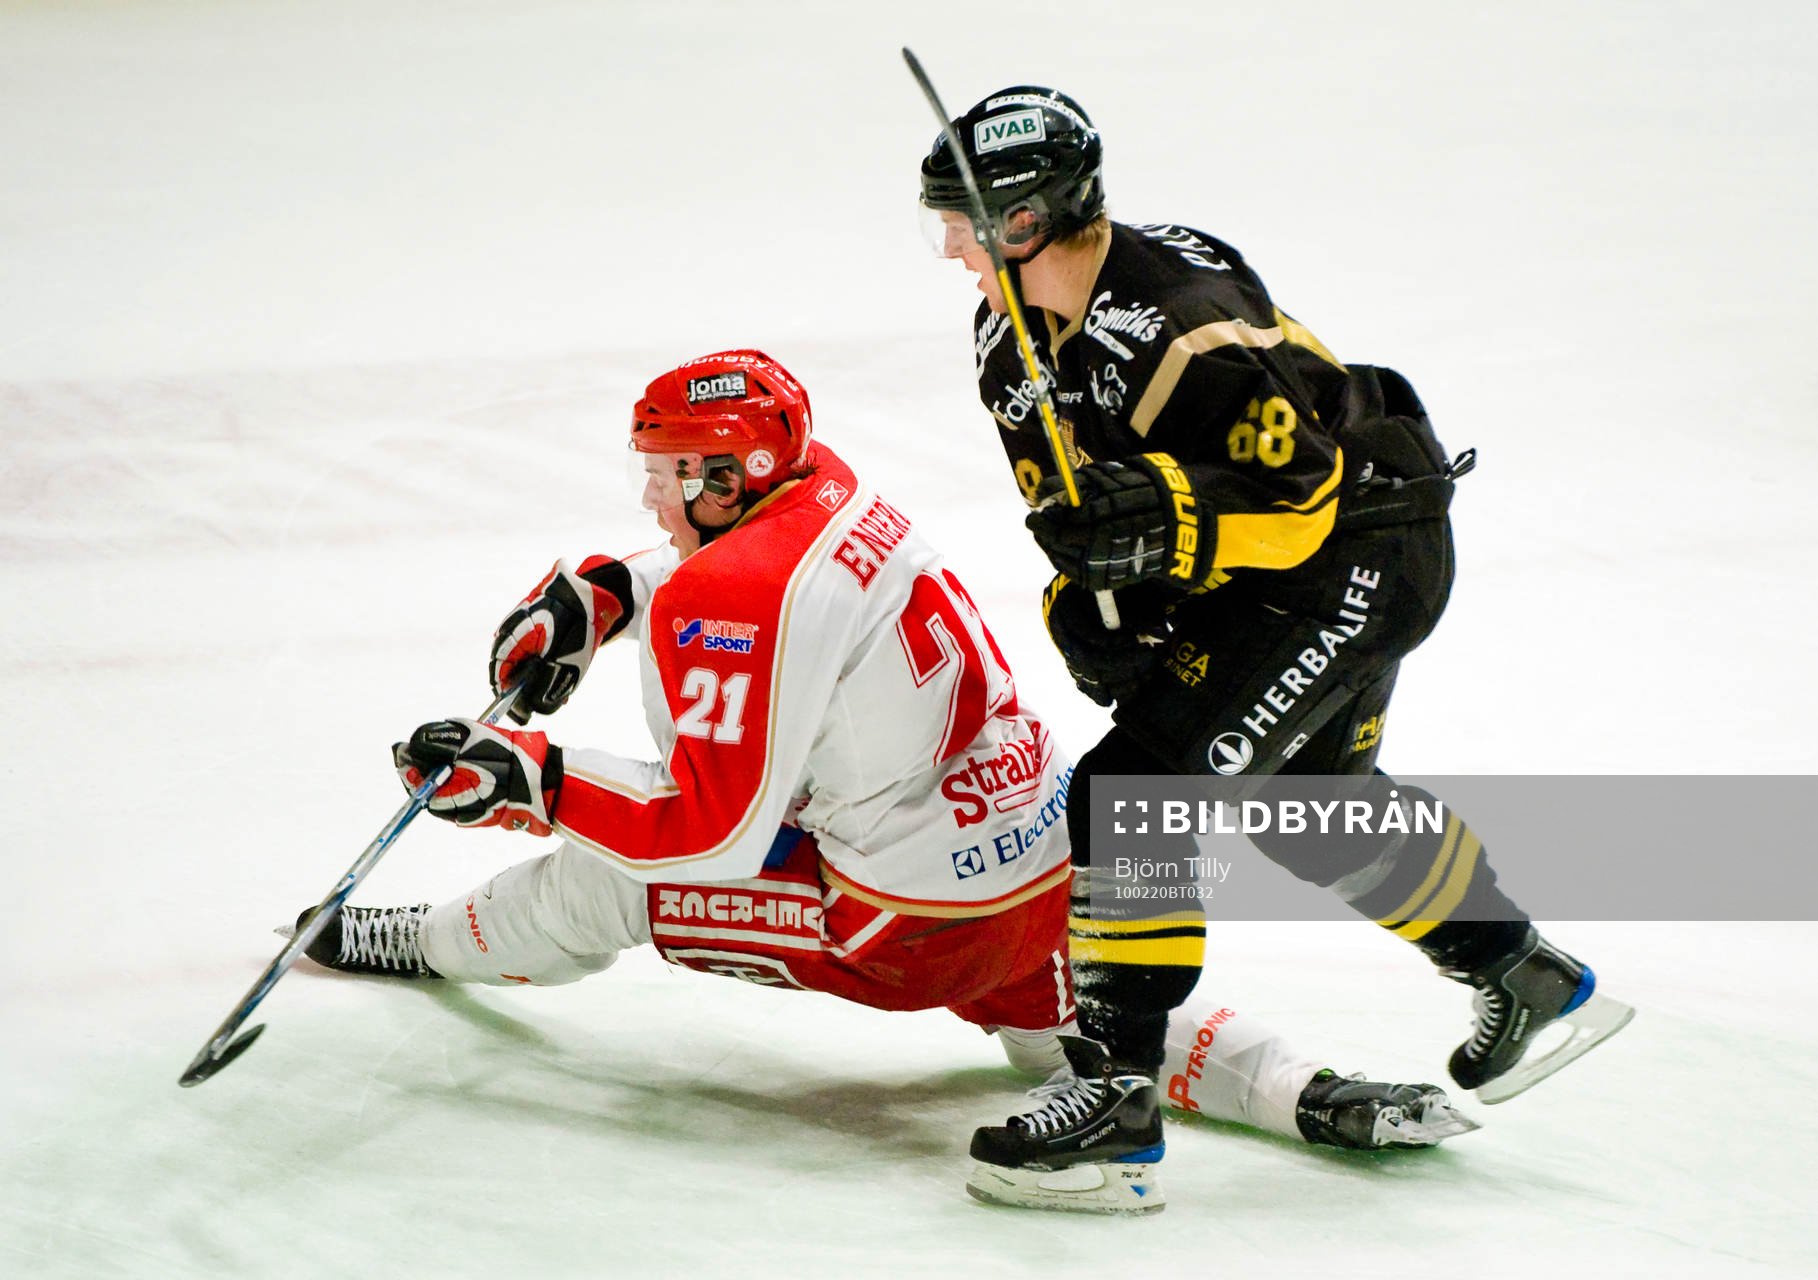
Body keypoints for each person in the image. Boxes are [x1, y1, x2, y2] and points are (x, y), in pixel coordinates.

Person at [298, 349, 1472, 1214]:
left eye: (670, 473)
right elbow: (762, 577)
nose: (651, 495)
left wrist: (530, 778)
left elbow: (706, 828)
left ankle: (415, 938)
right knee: (1065, 1027)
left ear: (737, 469)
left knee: (601, 884)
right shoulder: (833, 488)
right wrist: (608, 587)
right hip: (1040, 854)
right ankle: (1316, 1091)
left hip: (910, 921)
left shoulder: (735, 595)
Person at [918, 88, 1633, 1211]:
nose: (950, 244)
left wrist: (1156, 518)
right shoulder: (1007, 341)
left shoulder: (1182, 320)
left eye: (966, 219)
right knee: (1309, 794)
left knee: (1131, 795)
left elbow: (1298, 498)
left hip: (1353, 557)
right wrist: (1100, 590)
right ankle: (1521, 968)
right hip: (1273, 573)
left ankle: (1116, 1108)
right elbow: (1078, 510)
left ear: (1029, 219)